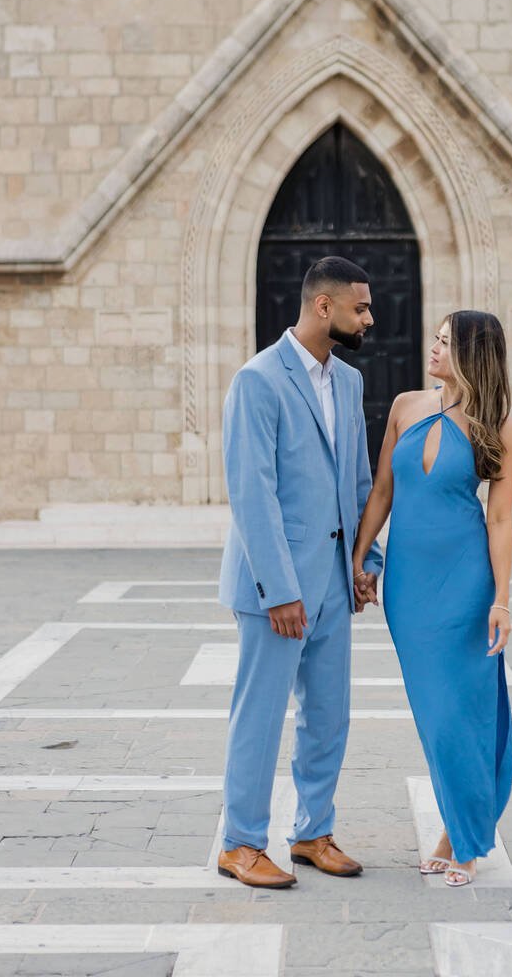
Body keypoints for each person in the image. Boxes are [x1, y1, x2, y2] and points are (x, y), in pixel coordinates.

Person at [218, 256, 383, 888]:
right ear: (324, 307)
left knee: (329, 715)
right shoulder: (257, 380)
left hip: (334, 587)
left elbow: (359, 478)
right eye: (360, 308)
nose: (370, 318)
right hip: (275, 590)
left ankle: (312, 833)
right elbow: (251, 493)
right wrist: (279, 592)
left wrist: (366, 561)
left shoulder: (348, 381)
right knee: (259, 715)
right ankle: (240, 843)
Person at [352, 310, 512, 887]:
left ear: (472, 354)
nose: (434, 348)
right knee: (434, 715)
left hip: (467, 586)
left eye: (446, 343)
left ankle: (465, 839)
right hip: (408, 588)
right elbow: (381, 491)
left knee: (462, 715)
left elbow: (499, 519)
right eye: (435, 339)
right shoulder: (405, 406)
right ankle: (461, 826)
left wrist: (501, 599)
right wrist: (360, 555)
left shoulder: (498, 425)